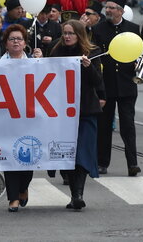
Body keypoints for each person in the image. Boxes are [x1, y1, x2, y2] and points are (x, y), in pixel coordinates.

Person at [50, 20, 104, 210]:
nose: (67, 36)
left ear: (79, 34)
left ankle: (78, 194)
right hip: (63, 111)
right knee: (68, 154)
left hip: (86, 109)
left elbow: (98, 82)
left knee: (82, 152)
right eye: (65, 33)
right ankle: (74, 195)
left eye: (71, 33)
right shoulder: (56, 51)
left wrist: (88, 67)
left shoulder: (92, 52)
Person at [93, 0, 141, 176]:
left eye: (112, 8)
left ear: (120, 11)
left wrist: (140, 67)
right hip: (106, 85)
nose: (108, 11)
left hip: (127, 84)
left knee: (128, 126)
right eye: (107, 7)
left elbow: (140, 53)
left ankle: (132, 164)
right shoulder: (98, 29)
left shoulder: (133, 28)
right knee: (104, 125)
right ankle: (102, 162)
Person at [0, 24, 42, 212]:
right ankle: (12, 198)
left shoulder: (35, 62)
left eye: (19, 39)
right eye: (12, 39)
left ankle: (23, 186)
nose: (15, 42)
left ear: (25, 43)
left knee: (27, 157)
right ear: (6, 44)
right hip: (6, 118)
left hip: (29, 118)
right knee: (10, 157)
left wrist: (41, 62)